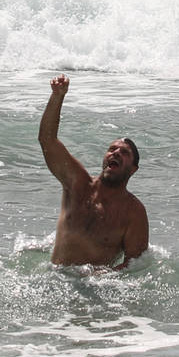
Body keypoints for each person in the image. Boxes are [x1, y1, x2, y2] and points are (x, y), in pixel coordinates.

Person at [38, 73, 148, 270]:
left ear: (133, 170)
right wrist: (57, 96)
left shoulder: (133, 213)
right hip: (54, 278)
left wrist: (102, 278)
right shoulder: (77, 184)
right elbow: (47, 140)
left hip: (95, 289)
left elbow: (135, 265)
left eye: (124, 153)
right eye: (112, 149)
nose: (116, 153)